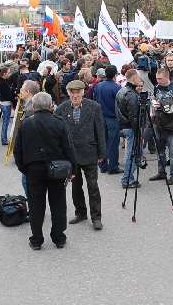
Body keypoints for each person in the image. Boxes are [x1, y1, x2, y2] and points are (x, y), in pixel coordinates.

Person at [14, 92, 77, 250]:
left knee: (36, 206)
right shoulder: (59, 122)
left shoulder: (26, 124)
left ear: (34, 107)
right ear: (50, 106)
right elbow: (68, 147)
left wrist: (24, 169)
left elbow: (18, 151)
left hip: (34, 169)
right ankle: (59, 238)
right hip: (57, 169)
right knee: (58, 204)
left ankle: (36, 240)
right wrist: (73, 169)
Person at [55, 80, 106, 230]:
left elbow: (100, 130)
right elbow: (58, 133)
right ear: (68, 93)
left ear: (83, 93)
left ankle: (96, 217)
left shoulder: (94, 107)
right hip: (71, 155)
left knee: (93, 186)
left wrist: (102, 152)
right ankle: (80, 212)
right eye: (73, 93)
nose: (75, 96)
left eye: (78, 92)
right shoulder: (62, 109)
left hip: (90, 152)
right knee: (76, 187)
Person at [149, 68, 173, 185]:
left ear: (167, 77)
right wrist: (152, 112)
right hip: (159, 121)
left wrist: (164, 105)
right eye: (157, 78)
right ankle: (161, 172)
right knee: (160, 149)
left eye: (160, 78)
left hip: (171, 123)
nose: (158, 81)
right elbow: (154, 99)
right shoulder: (156, 87)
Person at [116, 69, 143, 189]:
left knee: (135, 153)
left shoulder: (122, 90)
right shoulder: (130, 94)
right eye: (138, 78)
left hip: (124, 125)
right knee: (133, 154)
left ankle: (128, 178)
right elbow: (133, 116)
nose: (140, 80)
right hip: (130, 127)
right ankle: (127, 180)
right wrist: (138, 131)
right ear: (134, 78)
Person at [93, 65, 122, 175]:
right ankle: (113, 166)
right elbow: (119, 104)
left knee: (102, 142)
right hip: (112, 117)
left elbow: (95, 100)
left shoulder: (99, 86)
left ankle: (103, 165)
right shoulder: (116, 87)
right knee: (113, 143)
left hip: (101, 116)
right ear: (115, 75)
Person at [0, 66, 14, 146]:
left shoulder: (3, 82)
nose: (9, 74)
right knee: (5, 122)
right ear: (4, 74)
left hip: (4, 103)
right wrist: (14, 99)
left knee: (5, 121)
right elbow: (7, 95)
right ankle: (4, 139)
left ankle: (4, 138)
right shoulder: (3, 83)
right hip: (6, 103)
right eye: (8, 73)